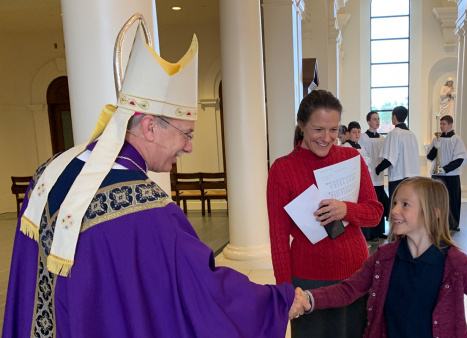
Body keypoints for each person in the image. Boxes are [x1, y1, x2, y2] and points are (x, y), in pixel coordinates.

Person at [3, 22, 300, 338]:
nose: (189, 146)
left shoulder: (49, 173)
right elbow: (203, 289)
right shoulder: (146, 208)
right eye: (186, 134)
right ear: (149, 127)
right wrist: (275, 301)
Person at [290, 177, 467, 338]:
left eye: (405, 204)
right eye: (395, 203)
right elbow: (349, 289)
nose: (394, 210)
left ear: (434, 213)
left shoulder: (458, 265)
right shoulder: (384, 258)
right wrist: (309, 298)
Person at [267, 90, 383, 338]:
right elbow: (278, 240)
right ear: (301, 125)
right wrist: (286, 292)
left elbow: (375, 213)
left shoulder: (351, 158)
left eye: (333, 130)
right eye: (318, 129)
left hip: (356, 275)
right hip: (309, 280)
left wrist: (346, 210)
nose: (327, 137)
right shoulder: (283, 169)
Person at [426, 115, 467, 231]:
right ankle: (436, 223)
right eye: (440, 124)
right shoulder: (436, 139)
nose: (441, 126)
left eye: (444, 124)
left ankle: (452, 223)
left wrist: (445, 169)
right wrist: (435, 147)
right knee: (436, 199)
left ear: (451, 125)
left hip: (451, 175)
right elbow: (429, 157)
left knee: (452, 200)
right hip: (437, 174)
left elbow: (459, 159)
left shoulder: (456, 139)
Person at [375, 106, 420, 197]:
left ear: (394, 117)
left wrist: (378, 169)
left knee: (396, 206)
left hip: (398, 178)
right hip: (413, 179)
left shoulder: (394, 133)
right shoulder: (412, 135)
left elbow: (390, 159)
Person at [358, 112, 388, 240]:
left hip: (380, 178)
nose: (377, 121)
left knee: (380, 204)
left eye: (378, 119)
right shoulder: (363, 138)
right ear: (368, 122)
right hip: (369, 177)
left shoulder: (382, 139)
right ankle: (369, 233)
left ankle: (379, 231)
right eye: (374, 119)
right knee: (371, 205)